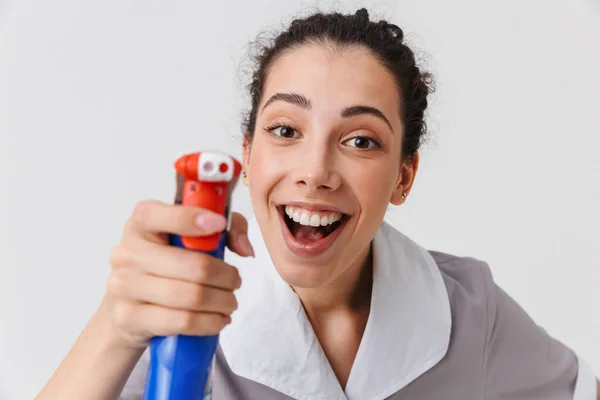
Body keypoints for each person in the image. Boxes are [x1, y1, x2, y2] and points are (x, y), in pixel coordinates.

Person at [36, 8, 599, 400]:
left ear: (404, 177)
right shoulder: (173, 312)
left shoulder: (472, 312)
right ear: (247, 155)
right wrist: (115, 326)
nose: (314, 173)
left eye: (360, 141)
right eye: (285, 130)